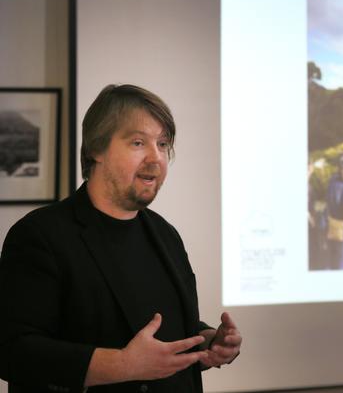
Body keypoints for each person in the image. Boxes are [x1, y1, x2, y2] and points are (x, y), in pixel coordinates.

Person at [0, 84, 242, 392]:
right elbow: (12, 351)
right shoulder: (40, 235)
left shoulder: (165, 234)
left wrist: (205, 341)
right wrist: (120, 365)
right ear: (96, 149)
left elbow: (156, 327)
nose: (156, 158)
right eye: (138, 142)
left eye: (163, 144)